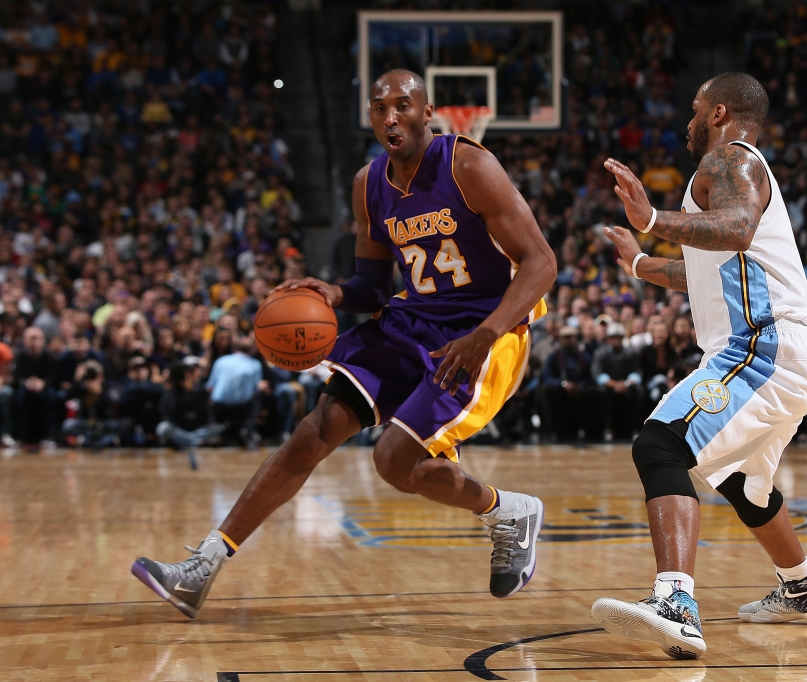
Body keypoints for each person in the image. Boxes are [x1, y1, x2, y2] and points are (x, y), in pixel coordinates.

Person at [132, 69, 556, 618]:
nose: (391, 117)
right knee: (314, 431)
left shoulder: (469, 165)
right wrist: (332, 291)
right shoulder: (369, 184)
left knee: (395, 463)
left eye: (403, 105)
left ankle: (508, 512)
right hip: (413, 322)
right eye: (380, 108)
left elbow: (542, 263)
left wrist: (488, 332)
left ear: (427, 113)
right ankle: (203, 566)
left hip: (484, 332)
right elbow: (375, 287)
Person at [591, 73, 807, 661]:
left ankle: (675, 603)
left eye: (696, 108)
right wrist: (641, 265)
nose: (689, 121)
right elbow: (704, 270)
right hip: (785, 351)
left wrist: (652, 219)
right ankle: (805, 587)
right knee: (739, 481)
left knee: (661, 446)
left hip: (763, 346)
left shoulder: (731, 159)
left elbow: (736, 228)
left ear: (720, 112)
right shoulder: (731, 173)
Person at [206, 335, 263, 447]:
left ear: (234, 349)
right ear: (252, 351)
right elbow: (256, 390)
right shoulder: (255, 364)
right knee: (256, 400)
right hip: (241, 409)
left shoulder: (221, 361)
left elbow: (210, 387)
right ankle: (249, 431)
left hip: (219, 408)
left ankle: (216, 430)